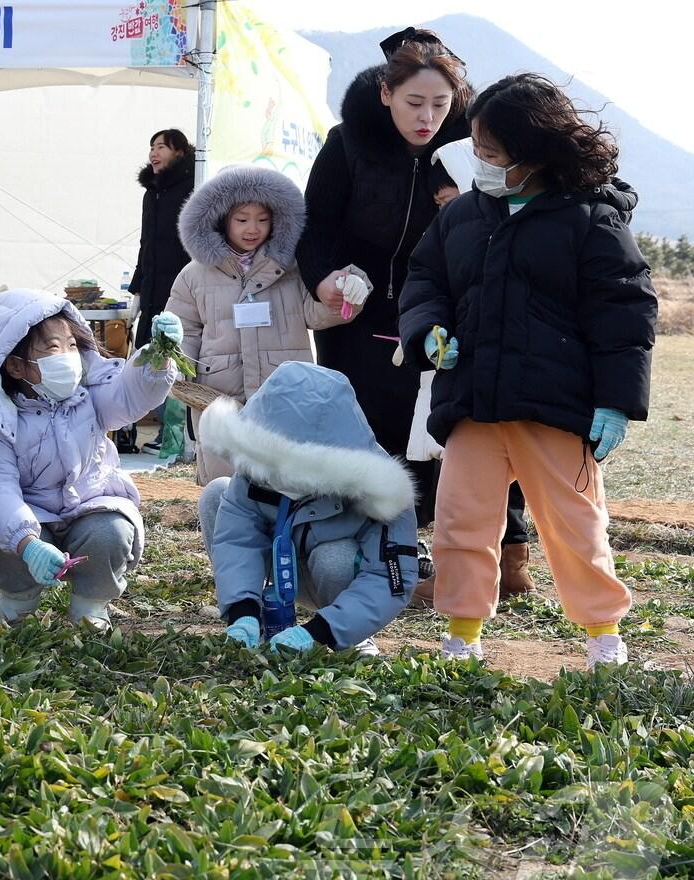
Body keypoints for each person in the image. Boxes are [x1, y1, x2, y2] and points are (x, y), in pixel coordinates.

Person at [399, 73, 658, 668]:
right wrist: (425, 332)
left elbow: (624, 310)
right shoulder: (462, 215)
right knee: (461, 521)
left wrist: (616, 401)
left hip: (555, 407)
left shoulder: (591, 218)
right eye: (477, 149)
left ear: (533, 150)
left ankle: (603, 638)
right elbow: (425, 282)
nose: (480, 161)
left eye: (491, 152)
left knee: (574, 524)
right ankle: (461, 635)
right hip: (473, 404)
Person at [295, 29, 471, 499]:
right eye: (414, 102)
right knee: (360, 432)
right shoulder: (347, 143)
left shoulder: (469, 152)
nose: (427, 117)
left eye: (440, 103)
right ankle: (358, 543)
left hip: (434, 316)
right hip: (354, 315)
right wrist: (323, 279)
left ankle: (418, 545)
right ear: (386, 93)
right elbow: (314, 227)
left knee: (429, 434)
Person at [0, 290, 179, 632]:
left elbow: (129, 396)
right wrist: (27, 543)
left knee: (112, 529)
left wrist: (156, 360)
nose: (68, 357)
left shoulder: (89, 395)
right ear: (15, 365)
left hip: (90, 505)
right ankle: (17, 600)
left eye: (72, 345)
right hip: (33, 516)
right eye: (52, 348)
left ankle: (90, 605)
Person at [166, 165, 370, 484]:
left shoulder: (291, 270)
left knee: (284, 484)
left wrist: (349, 292)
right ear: (221, 220)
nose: (253, 228)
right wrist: (176, 365)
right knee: (226, 483)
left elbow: (317, 313)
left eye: (262, 219)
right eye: (242, 219)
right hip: (218, 395)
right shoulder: (194, 275)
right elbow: (185, 330)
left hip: (283, 394)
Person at [198, 362, 419, 654]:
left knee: (335, 558)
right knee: (217, 495)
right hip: (280, 567)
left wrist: (321, 633)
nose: (277, 479)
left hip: (328, 580)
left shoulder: (379, 489)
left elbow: (390, 578)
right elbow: (238, 539)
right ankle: (257, 621)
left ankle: (351, 637)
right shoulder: (256, 465)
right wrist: (242, 612)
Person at [407, 140, 534, 605]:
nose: (444, 208)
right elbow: (425, 289)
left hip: (489, 380)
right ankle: (504, 569)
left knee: (478, 487)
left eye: (448, 198)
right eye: (438, 203)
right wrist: (425, 332)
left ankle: (502, 568)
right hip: (469, 373)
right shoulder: (459, 231)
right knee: (485, 485)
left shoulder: (491, 231)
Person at [129, 128, 195, 453]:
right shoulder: (151, 193)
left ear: (180, 152)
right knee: (150, 356)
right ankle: (163, 433)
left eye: (161, 147)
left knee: (177, 358)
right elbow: (146, 245)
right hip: (153, 288)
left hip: (181, 287)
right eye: (151, 147)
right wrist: (137, 289)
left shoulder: (192, 187)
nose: (154, 153)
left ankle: (178, 434)